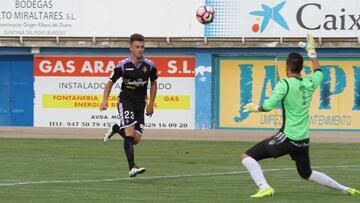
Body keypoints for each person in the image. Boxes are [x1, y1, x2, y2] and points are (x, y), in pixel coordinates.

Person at [240, 34, 360, 198]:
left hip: (289, 137)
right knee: (306, 173)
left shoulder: (285, 84)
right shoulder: (309, 83)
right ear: (301, 68)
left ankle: (264, 187)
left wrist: (255, 108)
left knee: (247, 156)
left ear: (287, 66)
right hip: (303, 139)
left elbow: (267, 107)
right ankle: (344, 189)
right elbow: (319, 72)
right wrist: (312, 53)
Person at [100, 33, 158, 178]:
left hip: (140, 104)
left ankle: (115, 128)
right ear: (130, 48)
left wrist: (151, 103)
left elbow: (154, 83)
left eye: (142, 47)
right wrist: (105, 100)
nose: (140, 50)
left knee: (135, 140)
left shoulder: (150, 66)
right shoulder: (123, 66)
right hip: (125, 101)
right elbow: (110, 82)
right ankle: (132, 167)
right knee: (130, 134)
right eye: (137, 47)